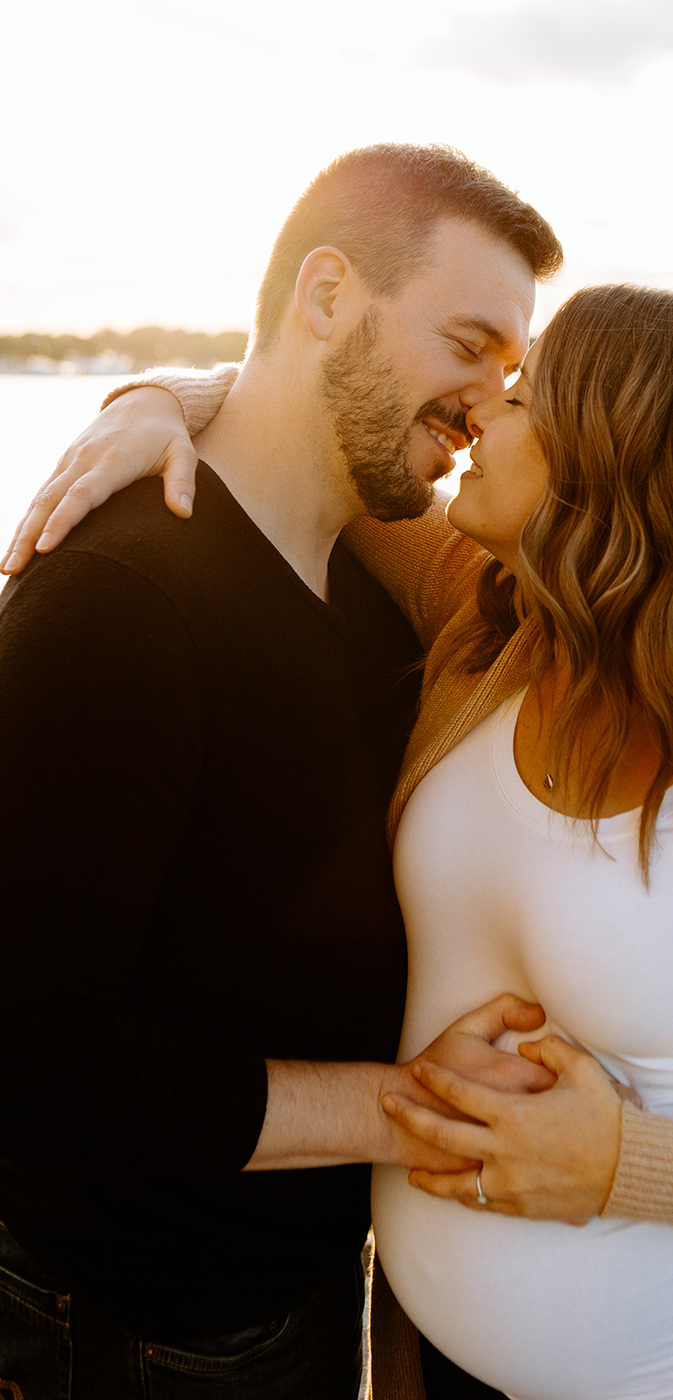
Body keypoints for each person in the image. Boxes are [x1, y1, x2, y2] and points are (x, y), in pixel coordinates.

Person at [15, 281, 673, 1400]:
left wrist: (623, 1165)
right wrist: (161, 396)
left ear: (616, 461)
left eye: (526, 396)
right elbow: (304, 430)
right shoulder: (486, 620)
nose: (481, 414)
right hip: (437, 1365)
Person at [0, 143, 565, 1400]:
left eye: (509, 374)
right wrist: (410, 1108)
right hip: (128, 1328)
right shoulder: (114, 603)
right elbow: (25, 1058)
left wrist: (165, 392)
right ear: (325, 294)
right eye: (468, 342)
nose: (486, 402)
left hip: (303, 1302)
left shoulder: (384, 592)